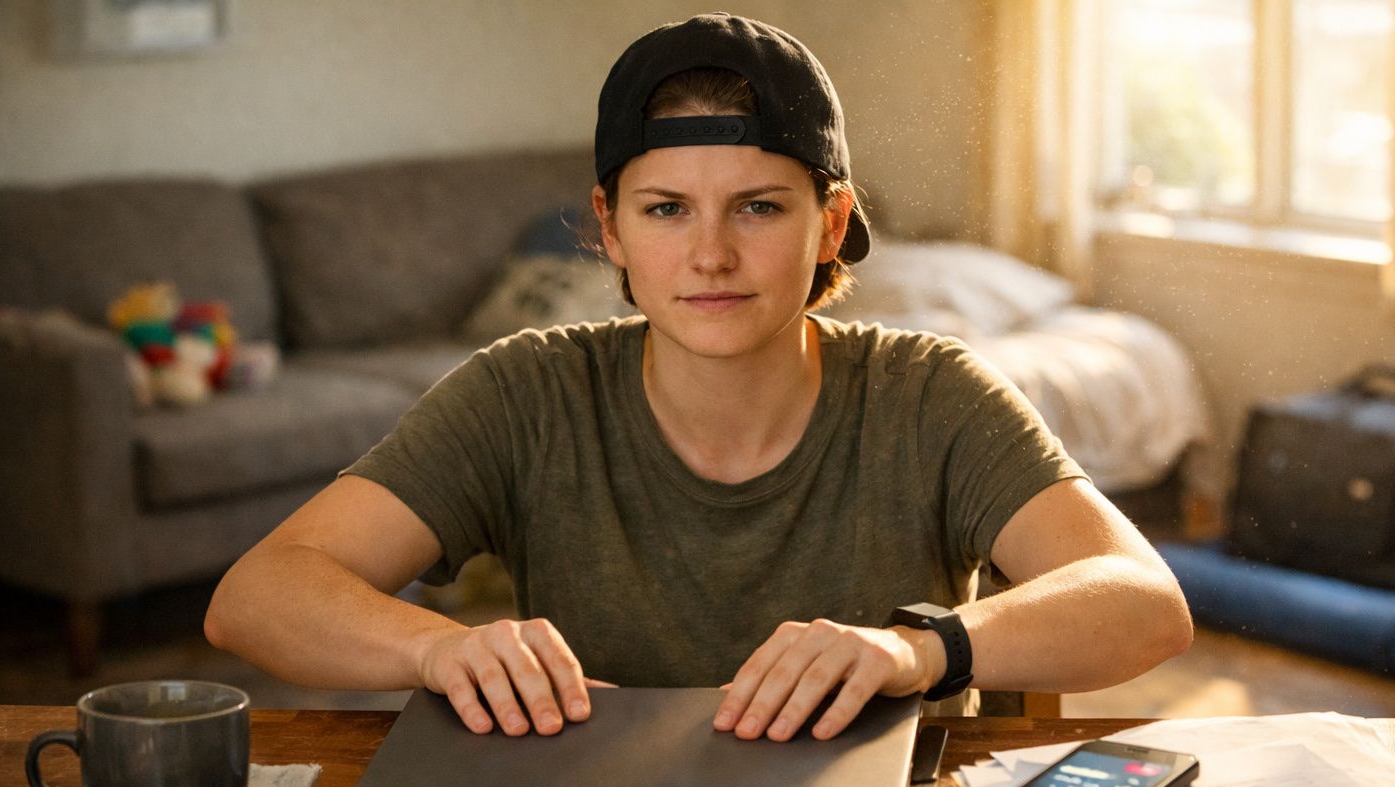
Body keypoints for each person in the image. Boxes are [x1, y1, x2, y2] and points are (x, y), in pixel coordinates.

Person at [204, 13, 1192, 743]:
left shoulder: (930, 393)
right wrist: (434, 648)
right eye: (668, 210)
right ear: (609, 227)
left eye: (759, 208)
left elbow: (1145, 602)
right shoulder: (525, 393)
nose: (710, 255)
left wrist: (918, 650)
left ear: (832, 223)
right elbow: (256, 596)